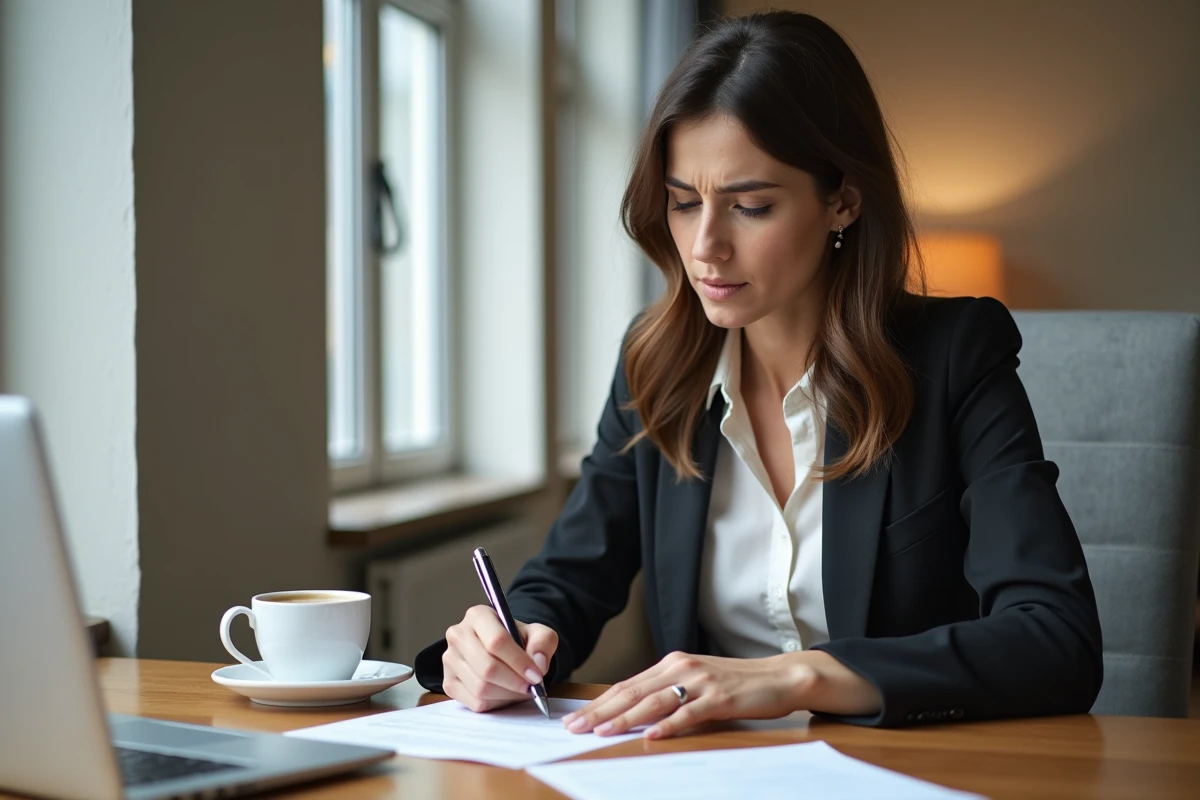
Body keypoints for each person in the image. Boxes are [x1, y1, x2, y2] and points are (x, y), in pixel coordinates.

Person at [414, 10, 1102, 738]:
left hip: (903, 770)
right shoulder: (655, 366)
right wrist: (510, 639)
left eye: (750, 206)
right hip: (706, 774)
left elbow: (1055, 638)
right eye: (683, 203)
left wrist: (794, 676)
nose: (705, 245)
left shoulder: (956, 356)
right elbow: (570, 577)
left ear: (842, 198)